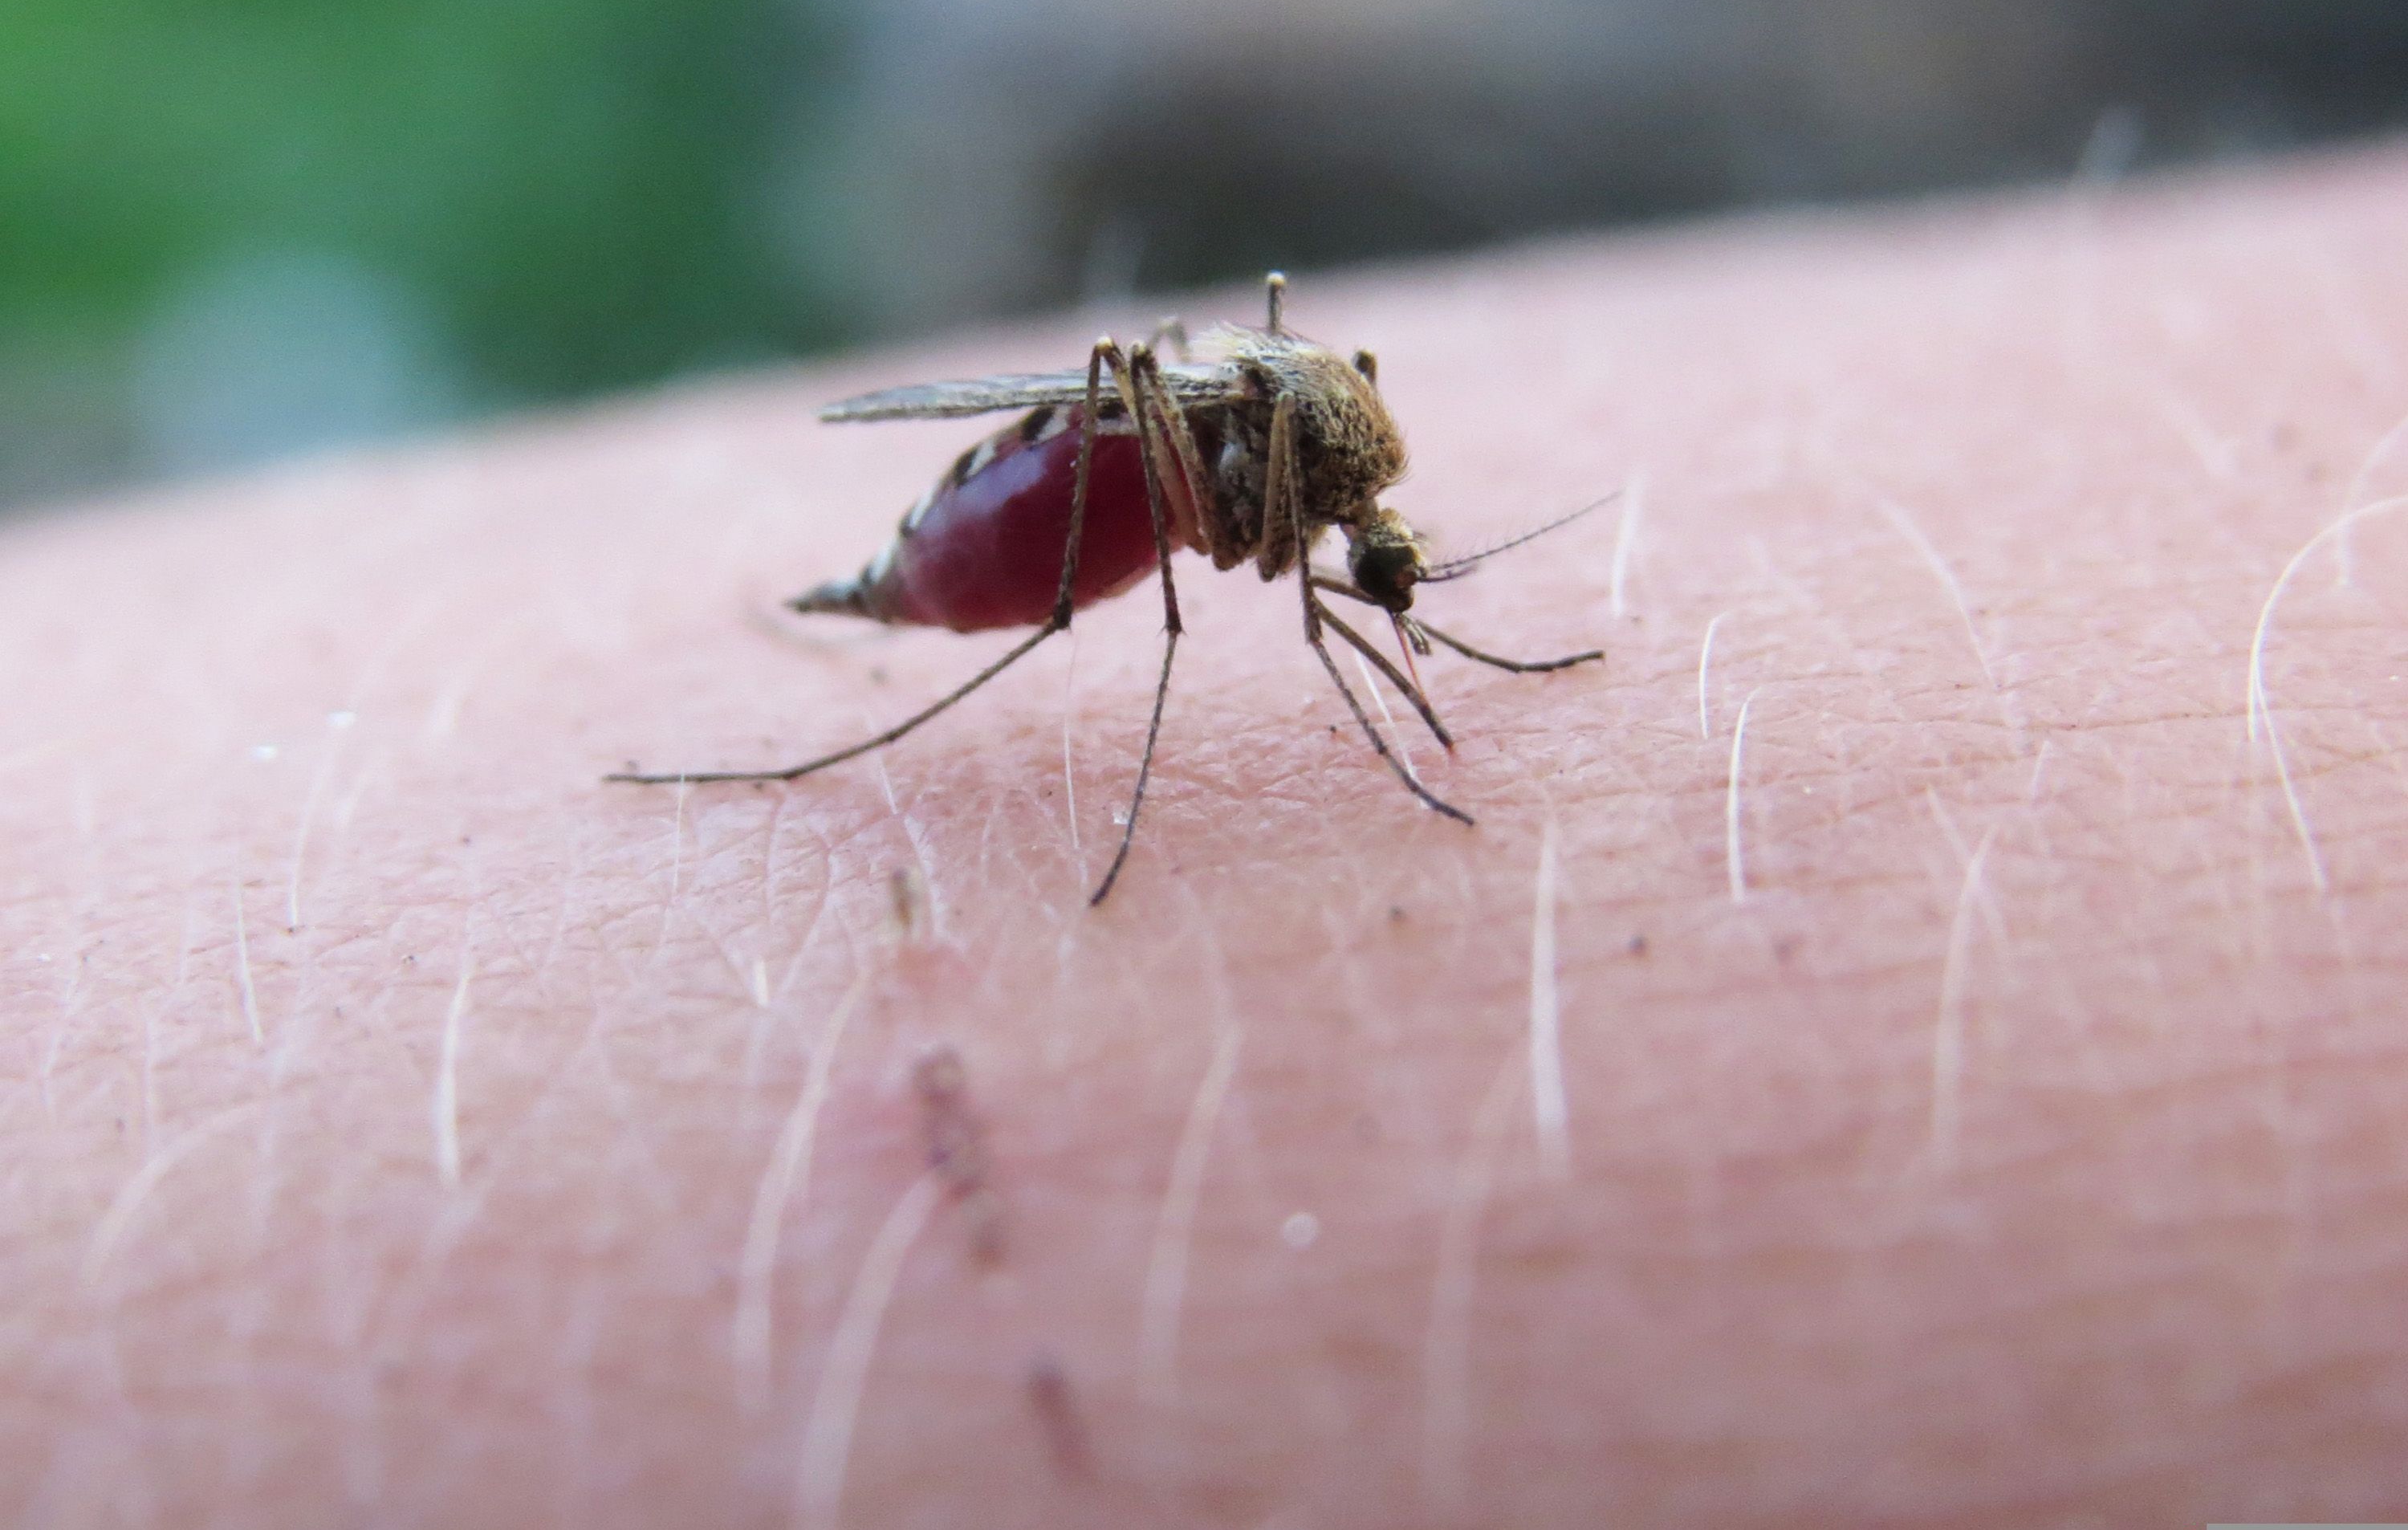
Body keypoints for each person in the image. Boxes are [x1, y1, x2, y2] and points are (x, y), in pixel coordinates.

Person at [9, 145, 2408, 1527]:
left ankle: (914, 626)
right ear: (1354, 516)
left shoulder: (1337, 478)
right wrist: (1145, 557)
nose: (1385, 591)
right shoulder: (1279, 468)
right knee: (1150, 547)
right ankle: (856, 699)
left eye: (1386, 587)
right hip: (1078, 501)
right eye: (1395, 586)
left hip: (1132, 474)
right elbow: (1246, 510)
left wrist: (1390, 629)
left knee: (1203, 454)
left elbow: (1326, 553)